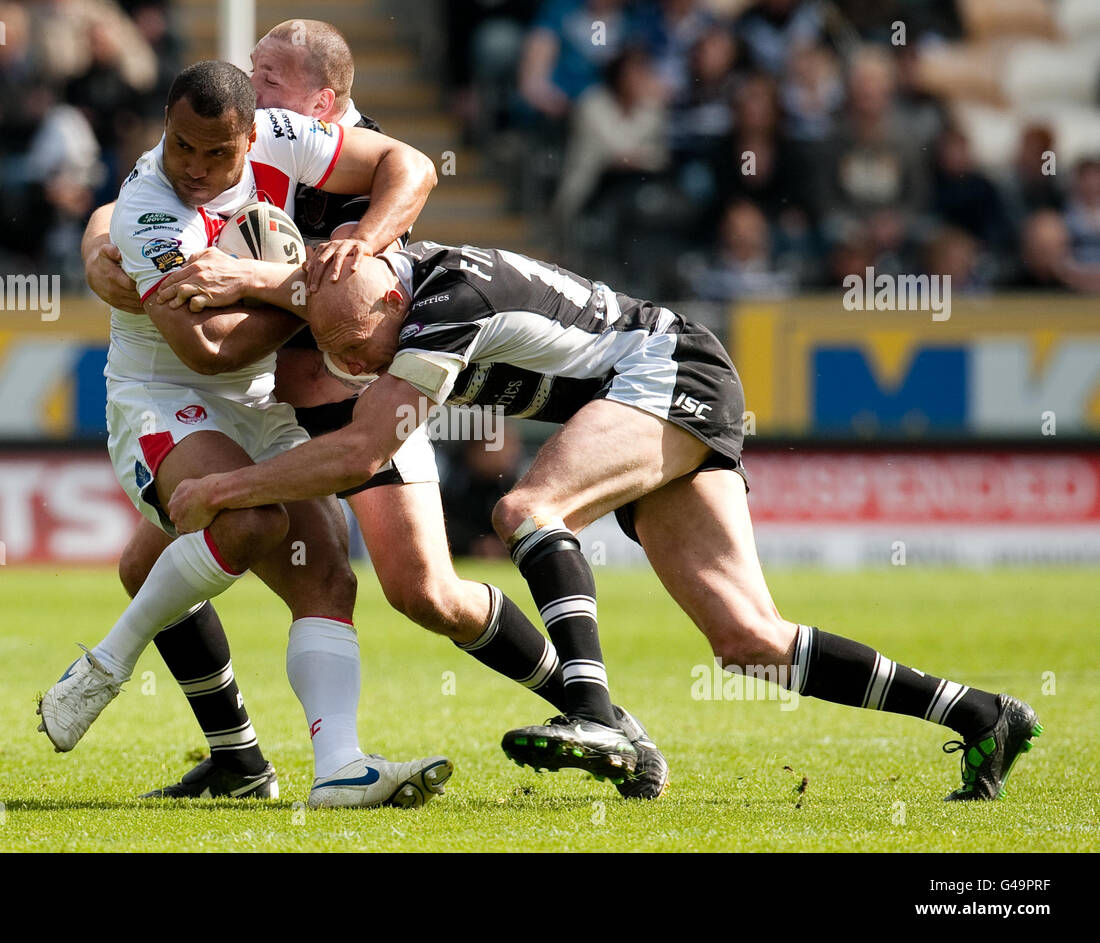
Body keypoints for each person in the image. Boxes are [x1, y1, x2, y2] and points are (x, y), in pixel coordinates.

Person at [162, 243, 1044, 802]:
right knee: (748, 640)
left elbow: (361, 453)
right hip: (651, 394)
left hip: (669, 369)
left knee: (527, 506)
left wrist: (227, 489)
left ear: (394, 309)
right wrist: (247, 277)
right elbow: (327, 290)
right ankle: (984, 715)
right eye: (342, 354)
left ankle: (596, 716)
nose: (357, 366)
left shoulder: (447, 300)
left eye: (363, 349)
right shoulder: (372, 287)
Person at [82, 20, 670, 800]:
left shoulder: (355, 162)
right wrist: (98, 248)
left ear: (324, 101)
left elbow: (389, 220)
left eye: (269, 80)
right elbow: (133, 197)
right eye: (251, 74)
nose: (252, 93)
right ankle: (237, 758)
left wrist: (345, 248)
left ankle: (597, 713)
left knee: (424, 591)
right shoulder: (240, 138)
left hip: (354, 398)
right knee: (145, 563)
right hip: (265, 403)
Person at [37, 59, 455, 810]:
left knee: (329, 572)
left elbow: (411, 164)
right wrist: (313, 297)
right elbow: (209, 347)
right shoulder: (148, 213)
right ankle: (107, 662)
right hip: (166, 398)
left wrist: (358, 250)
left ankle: (339, 769)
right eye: (181, 146)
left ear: (251, 136)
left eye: (216, 153)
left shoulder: (284, 134)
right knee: (252, 518)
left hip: (261, 400)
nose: (195, 169)